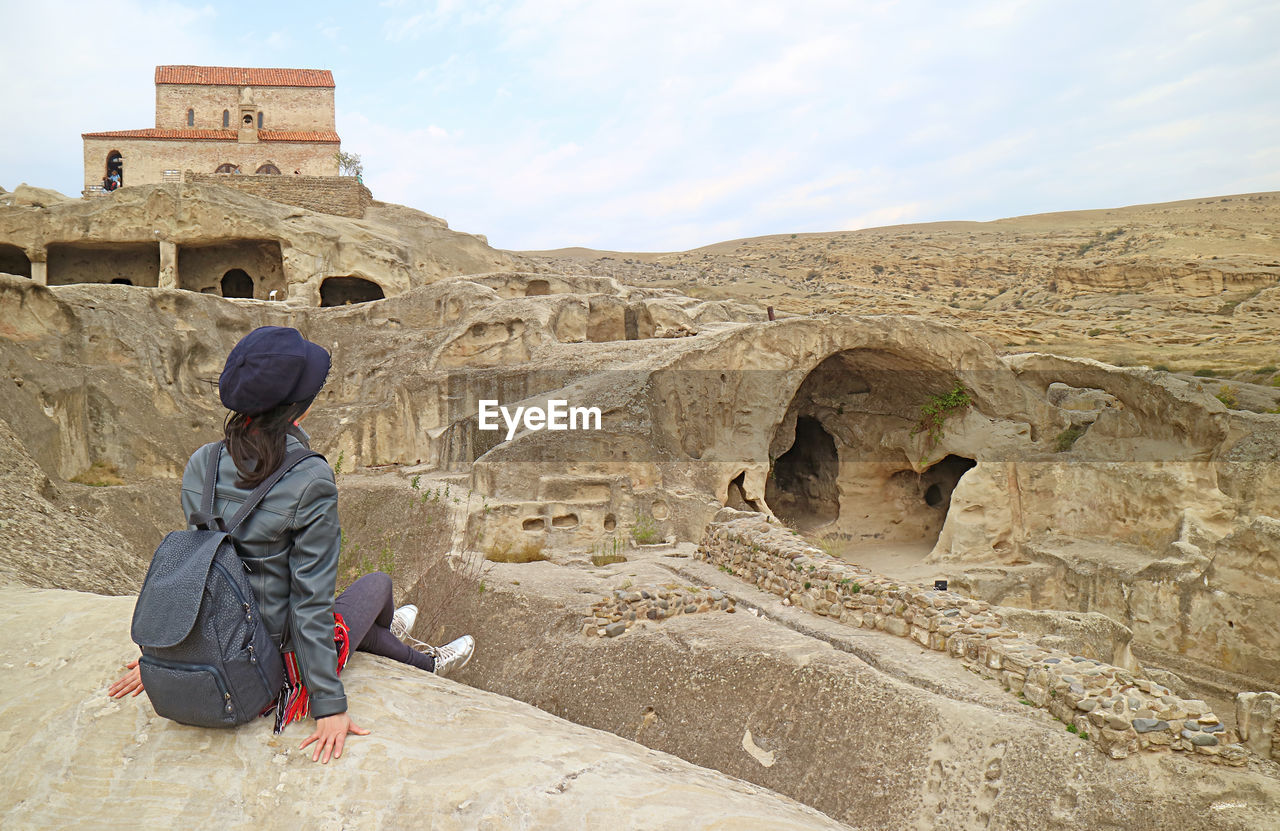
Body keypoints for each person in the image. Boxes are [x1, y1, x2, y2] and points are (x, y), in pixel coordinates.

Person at [109, 326, 475, 764]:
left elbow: (199, 563)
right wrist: (329, 706)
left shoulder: (202, 463)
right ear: (297, 410)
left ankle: (393, 641)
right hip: (268, 667)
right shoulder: (309, 479)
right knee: (377, 584)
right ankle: (424, 662)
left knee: (366, 617)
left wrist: (169, 648)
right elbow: (309, 604)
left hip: (216, 641)